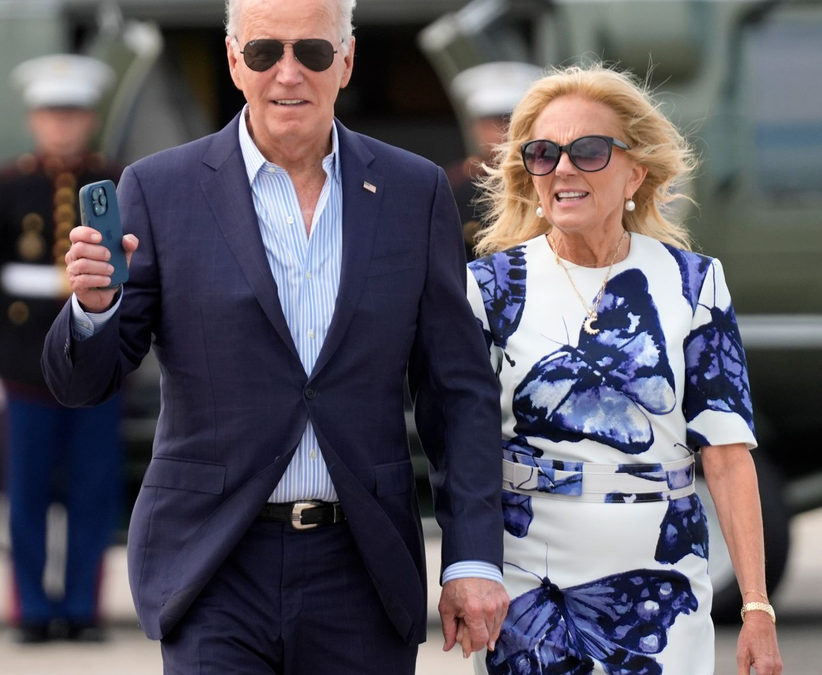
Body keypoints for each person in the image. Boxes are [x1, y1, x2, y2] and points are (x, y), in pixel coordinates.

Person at [42, 0, 509, 672]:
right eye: (265, 52)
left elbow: (457, 390)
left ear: (345, 61)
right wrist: (93, 306)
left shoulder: (414, 191)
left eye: (312, 52)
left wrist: (471, 558)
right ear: (235, 61)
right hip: (215, 566)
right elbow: (86, 381)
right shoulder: (161, 188)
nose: (288, 73)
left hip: (362, 571)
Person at [465, 64, 784, 675]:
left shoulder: (694, 283)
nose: (562, 168)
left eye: (587, 151)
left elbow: (725, 453)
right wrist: (466, 573)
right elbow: (461, 450)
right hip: (527, 584)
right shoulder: (489, 288)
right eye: (543, 153)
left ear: (635, 171)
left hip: (661, 589)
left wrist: (756, 606)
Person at [0, 53, 123, 644]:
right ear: (34, 120)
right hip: (23, 366)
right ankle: (31, 608)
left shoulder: (113, 181)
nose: (62, 125)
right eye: (52, 113)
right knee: (24, 496)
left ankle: (80, 606)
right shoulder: (3, 186)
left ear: (90, 119)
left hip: (95, 364)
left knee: (93, 494)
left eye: (73, 113)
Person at [445, 62, 542, 260]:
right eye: (490, 123)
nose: (500, 132)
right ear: (475, 128)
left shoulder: (548, 174)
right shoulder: (454, 183)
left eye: (508, 122)